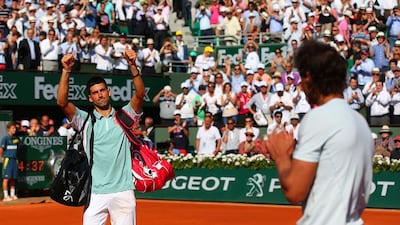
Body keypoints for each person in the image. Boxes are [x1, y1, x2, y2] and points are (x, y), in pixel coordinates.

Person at [266, 40, 373, 225]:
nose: (300, 85)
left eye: (301, 78)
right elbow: (328, 178)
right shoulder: (360, 122)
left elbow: (295, 191)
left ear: (308, 77)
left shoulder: (318, 118)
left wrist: (281, 156)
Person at [56, 46, 144, 225]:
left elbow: (140, 94)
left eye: (102, 90)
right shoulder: (84, 120)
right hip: (95, 192)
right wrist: (66, 70)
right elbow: (62, 102)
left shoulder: (124, 116)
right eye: (95, 93)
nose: (100, 95)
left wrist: (133, 65)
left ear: (109, 91)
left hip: (123, 191)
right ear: (90, 98)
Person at [1, 121, 20, 201]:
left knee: (13, 178)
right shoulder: (5, 138)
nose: (14, 129)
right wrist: (2, 158)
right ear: (8, 129)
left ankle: (12, 195)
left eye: (15, 128)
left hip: (14, 160)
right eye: (13, 128)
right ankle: (6, 196)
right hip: (7, 160)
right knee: (6, 179)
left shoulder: (16, 139)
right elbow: (1, 149)